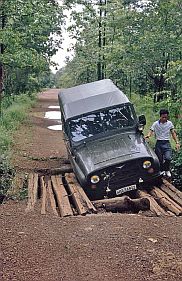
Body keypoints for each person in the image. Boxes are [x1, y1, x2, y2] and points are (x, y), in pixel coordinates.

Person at [145, 109, 180, 177]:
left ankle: (166, 169)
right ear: (160, 116)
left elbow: (173, 133)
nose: (164, 119)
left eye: (166, 117)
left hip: (167, 143)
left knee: (168, 158)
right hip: (159, 143)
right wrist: (148, 135)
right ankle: (162, 170)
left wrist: (177, 142)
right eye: (163, 117)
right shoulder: (155, 124)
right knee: (159, 159)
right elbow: (151, 131)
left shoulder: (170, 123)